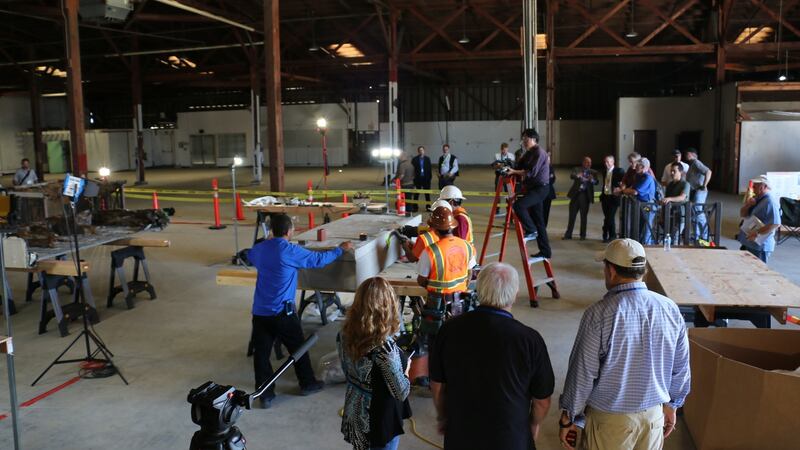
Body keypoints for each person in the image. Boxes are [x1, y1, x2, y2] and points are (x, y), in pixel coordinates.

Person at [559, 239, 690, 450]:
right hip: (653, 418)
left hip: (610, 423)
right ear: (643, 271)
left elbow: (583, 374)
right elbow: (681, 367)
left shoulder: (598, 314)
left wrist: (569, 417)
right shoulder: (670, 309)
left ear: (611, 271)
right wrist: (672, 405)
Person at [430, 262, 554, 450]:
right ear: (514, 293)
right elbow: (542, 400)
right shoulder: (530, 340)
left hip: (462, 435)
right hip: (510, 438)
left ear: (478, 290)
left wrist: (442, 416)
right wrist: (533, 424)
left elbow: (437, 386)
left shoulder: (449, 330)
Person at [247, 214, 353, 408]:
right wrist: (340, 250)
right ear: (289, 231)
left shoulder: (260, 249)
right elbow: (318, 259)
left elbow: (249, 256)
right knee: (298, 348)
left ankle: (265, 393)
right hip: (282, 312)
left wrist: (266, 245)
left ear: (272, 231)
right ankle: (307, 383)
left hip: (260, 312)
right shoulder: (289, 251)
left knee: (261, 354)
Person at [338, 277, 411, 450]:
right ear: (388, 307)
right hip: (379, 418)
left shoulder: (344, 334)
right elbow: (401, 392)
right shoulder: (385, 348)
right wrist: (406, 370)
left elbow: (346, 369)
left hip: (355, 407)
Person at [507, 128, 552, 259]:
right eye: (523, 139)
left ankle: (531, 230)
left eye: (526, 139)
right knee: (539, 221)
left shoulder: (539, 152)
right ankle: (545, 251)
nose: (524, 141)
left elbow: (530, 172)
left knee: (519, 206)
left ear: (533, 139)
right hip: (533, 188)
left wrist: (514, 172)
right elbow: (519, 166)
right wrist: (508, 166)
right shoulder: (529, 153)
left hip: (541, 189)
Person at [737, 174, 781, 263]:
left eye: (755, 186)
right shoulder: (756, 198)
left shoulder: (770, 202)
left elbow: (776, 223)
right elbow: (742, 214)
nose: (753, 188)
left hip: (759, 246)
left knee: (757, 272)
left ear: (763, 186)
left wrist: (756, 233)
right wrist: (748, 205)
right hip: (749, 242)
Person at [622, 158, 657, 244]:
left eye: (638, 165)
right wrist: (626, 190)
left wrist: (622, 191)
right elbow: (632, 188)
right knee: (638, 226)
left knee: (646, 227)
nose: (636, 166)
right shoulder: (638, 175)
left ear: (644, 167)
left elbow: (635, 191)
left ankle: (646, 247)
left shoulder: (647, 178)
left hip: (648, 206)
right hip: (639, 204)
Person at [564, 156, 599, 241]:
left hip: (585, 196)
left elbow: (597, 182)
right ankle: (568, 234)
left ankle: (582, 235)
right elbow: (572, 176)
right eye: (587, 162)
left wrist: (592, 180)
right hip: (576, 194)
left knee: (583, 217)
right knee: (572, 215)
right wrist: (577, 175)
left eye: (590, 163)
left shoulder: (593, 172)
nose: (589, 164)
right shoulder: (577, 169)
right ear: (583, 163)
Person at [684, 148, 712, 241]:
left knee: (699, 213)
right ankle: (696, 235)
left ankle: (704, 235)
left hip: (699, 191)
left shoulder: (696, 162)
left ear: (692, 154)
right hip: (693, 191)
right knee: (694, 213)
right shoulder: (691, 165)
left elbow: (708, 171)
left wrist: (704, 185)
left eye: (687, 154)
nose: (686, 155)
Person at [661, 162, 691, 242]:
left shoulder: (685, 184)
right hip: (669, 214)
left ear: (680, 172)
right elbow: (666, 199)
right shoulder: (670, 184)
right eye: (671, 171)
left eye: (674, 171)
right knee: (668, 238)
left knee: (675, 238)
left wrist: (670, 199)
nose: (671, 173)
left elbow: (682, 197)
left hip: (680, 215)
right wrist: (662, 215)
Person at [600, 155, 625, 243]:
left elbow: (624, 182)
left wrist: (620, 188)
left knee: (610, 217)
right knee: (607, 217)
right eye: (605, 162)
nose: (606, 164)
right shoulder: (604, 171)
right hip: (605, 197)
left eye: (608, 162)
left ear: (613, 162)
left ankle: (609, 234)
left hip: (613, 197)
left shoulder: (619, 171)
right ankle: (609, 234)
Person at [412, 146, 432, 212]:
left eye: (422, 150)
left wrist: (429, 178)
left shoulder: (427, 159)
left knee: (427, 194)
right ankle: (415, 207)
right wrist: (413, 179)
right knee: (416, 194)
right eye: (420, 150)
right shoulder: (414, 159)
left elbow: (429, 169)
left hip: (426, 179)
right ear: (418, 151)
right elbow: (413, 170)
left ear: (424, 151)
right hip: (418, 179)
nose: (421, 151)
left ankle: (428, 207)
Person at [543, 149, 557, 227]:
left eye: (549, 160)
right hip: (540, 193)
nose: (548, 161)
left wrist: (546, 180)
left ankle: (544, 227)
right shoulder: (540, 167)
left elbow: (553, 179)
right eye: (547, 159)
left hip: (548, 193)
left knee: (546, 211)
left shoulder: (551, 168)